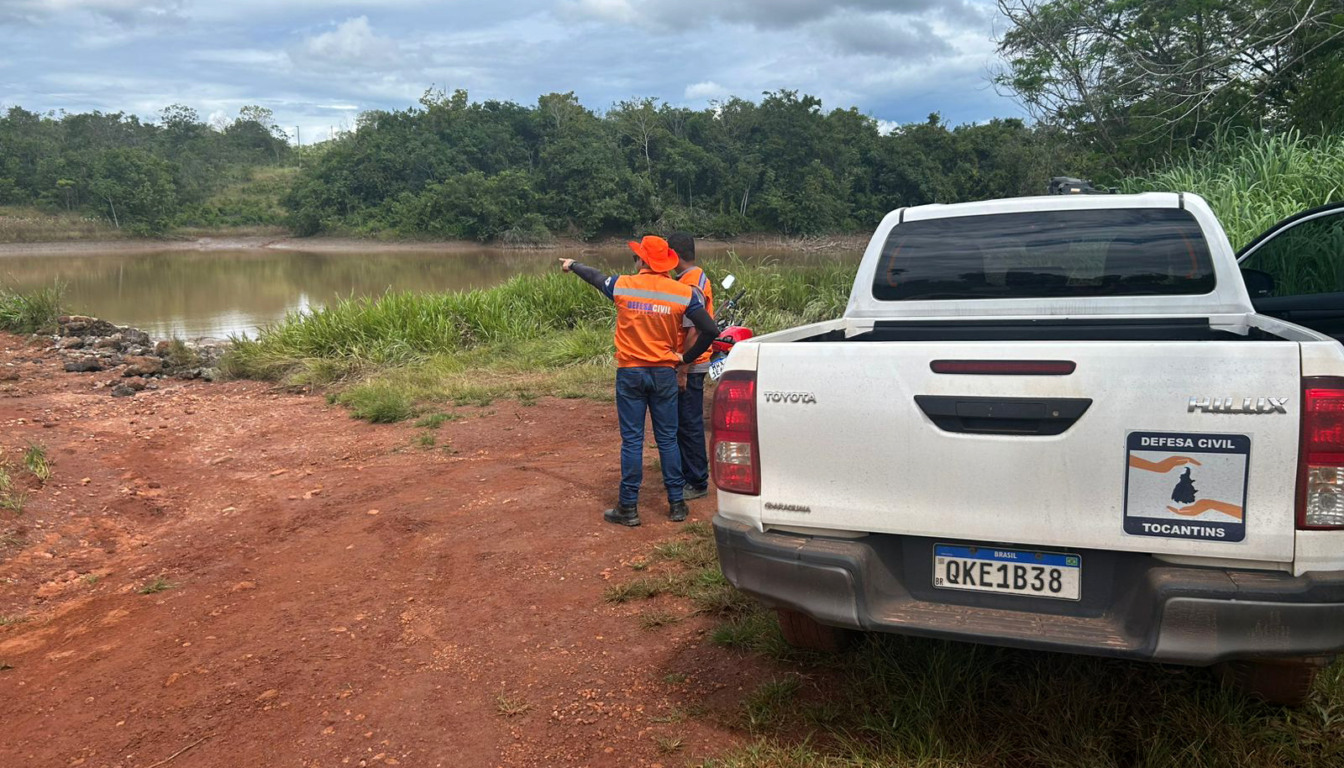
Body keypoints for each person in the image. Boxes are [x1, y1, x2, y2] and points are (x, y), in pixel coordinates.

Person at [560, 235, 718, 527]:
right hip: (664, 374)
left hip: (631, 373)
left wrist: (573, 264)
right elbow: (710, 328)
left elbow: (596, 278)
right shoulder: (682, 292)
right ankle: (677, 505)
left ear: (643, 261)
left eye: (638, 256)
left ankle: (629, 507)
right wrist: (684, 359)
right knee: (668, 439)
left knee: (632, 441)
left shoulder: (624, 285)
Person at [668, 232, 713, 500]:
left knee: (689, 423)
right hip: (695, 360)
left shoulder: (690, 285)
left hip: (691, 363)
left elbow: (694, 330)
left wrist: (683, 368)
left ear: (674, 254)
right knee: (687, 422)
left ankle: (696, 481)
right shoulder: (694, 277)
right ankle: (691, 475)